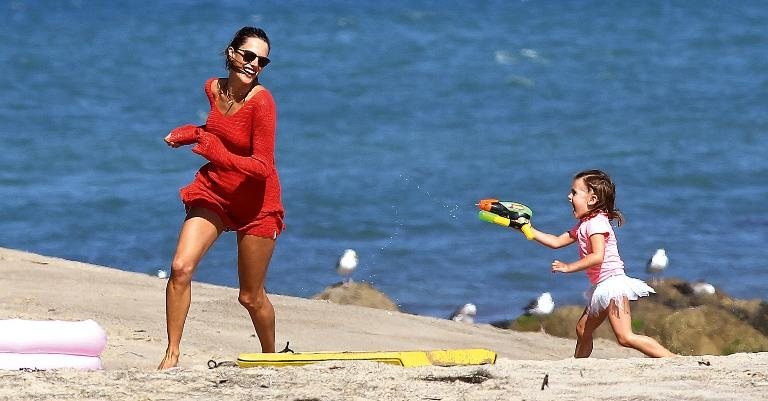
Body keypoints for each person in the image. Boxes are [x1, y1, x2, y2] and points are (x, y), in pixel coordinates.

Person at [158, 27, 284, 369]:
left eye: (262, 60)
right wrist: (193, 134)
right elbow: (217, 135)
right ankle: (172, 354)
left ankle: (271, 358)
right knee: (180, 267)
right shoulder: (213, 89)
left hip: (257, 203)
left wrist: (214, 151)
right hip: (215, 192)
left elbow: (261, 167)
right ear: (231, 53)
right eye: (249, 55)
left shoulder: (262, 103)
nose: (255, 64)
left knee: (250, 297)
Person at [524, 169, 674, 358]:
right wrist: (527, 229)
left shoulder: (596, 223)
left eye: (574, 193)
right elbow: (556, 241)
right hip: (603, 286)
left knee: (625, 337)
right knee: (582, 329)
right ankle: (578, 364)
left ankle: (674, 360)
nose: (568, 197)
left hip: (612, 284)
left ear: (592, 199)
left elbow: (597, 256)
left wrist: (568, 267)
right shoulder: (584, 224)